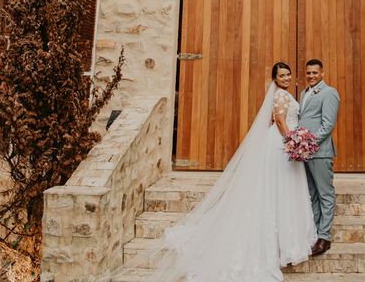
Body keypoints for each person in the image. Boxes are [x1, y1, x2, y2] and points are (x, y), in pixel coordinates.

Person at [133, 62, 317, 282]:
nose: (286, 78)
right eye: (282, 75)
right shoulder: (280, 96)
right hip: (281, 144)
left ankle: (284, 240)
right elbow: (279, 120)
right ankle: (283, 242)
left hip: (283, 144)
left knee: (282, 188)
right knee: (281, 188)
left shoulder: (284, 94)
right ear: (275, 79)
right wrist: (293, 141)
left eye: (288, 75)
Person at [298, 58, 340, 256]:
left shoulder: (329, 93)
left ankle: (325, 237)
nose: (311, 76)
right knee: (311, 194)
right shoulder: (304, 93)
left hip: (320, 152)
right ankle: (314, 233)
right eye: (308, 73)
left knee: (325, 194)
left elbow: (327, 124)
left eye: (315, 73)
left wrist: (308, 143)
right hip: (304, 153)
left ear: (322, 73)